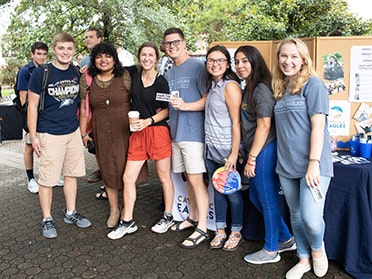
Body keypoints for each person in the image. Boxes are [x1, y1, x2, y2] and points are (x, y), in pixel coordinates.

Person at [272, 38, 333, 279]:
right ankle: (303, 259)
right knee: (295, 215)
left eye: (294, 56)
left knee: (310, 217)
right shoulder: (280, 87)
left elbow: (318, 127)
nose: (288, 61)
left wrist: (313, 164)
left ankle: (318, 251)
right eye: (284, 56)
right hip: (286, 165)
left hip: (314, 165)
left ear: (303, 59)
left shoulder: (314, 85)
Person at [233, 45, 295, 264]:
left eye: (244, 61)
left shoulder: (260, 88)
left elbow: (265, 126)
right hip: (257, 149)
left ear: (255, 61)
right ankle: (286, 238)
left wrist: (252, 158)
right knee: (255, 196)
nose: (240, 66)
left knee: (267, 200)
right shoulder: (249, 86)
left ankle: (270, 250)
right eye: (237, 62)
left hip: (265, 149)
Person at [107, 42, 174, 239]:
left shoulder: (161, 81)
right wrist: (86, 70)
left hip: (157, 132)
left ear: (156, 58)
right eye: (143, 55)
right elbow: (112, 67)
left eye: (150, 55)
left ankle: (168, 217)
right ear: (138, 57)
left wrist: (149, 121)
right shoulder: (133, 75)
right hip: (137, 134)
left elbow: (167, 110)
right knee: (128, 178)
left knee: (163, 176)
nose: (146, 58)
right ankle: (127, 221)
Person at [28, 33, 91, 239]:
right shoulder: (42, 73)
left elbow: (82, 104)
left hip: (72, 132)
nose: (65, 52)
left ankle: (70, 213)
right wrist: (34, 136)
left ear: (74, 51)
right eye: (61, 48)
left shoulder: (76, 72)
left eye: (70, 49)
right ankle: (47, 218)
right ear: (54, 49)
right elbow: (32, 106)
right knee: (47, 180)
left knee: (71, 175)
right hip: (49, 133)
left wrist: (82, 132)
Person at [79, 42, 148, 230]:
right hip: (101, 132)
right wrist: (84, 133)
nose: (103, 60)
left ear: (114, 59)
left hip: (126, 131)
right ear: (94, 60)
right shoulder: (87, 79)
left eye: (108, 56)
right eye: (99, 56)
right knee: (107, 169)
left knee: (126, 171)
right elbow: (84, 109)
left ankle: (127, 208)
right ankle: (114, 210)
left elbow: (145, 83)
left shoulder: (126, 75)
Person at [162, 27, 210, 249]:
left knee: (196, 179)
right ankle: (191, 217)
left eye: (176, 42)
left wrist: (186, 106)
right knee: (187, 179)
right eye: (168, 44)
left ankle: (202, 227)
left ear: (183, 43)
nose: (172, 46)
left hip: (193, 134)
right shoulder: (169, 72)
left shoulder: (198, 67)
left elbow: (207, 99)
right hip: (176, 134)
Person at [204, 45, 244, 251]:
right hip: (211, 150)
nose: (215, 64)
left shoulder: (230, 86)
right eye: (211, 60)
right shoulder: (213, 85)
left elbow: (237, 123)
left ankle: (235, 231)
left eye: (220, 60)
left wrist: (234, 154)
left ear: (227, 64)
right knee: (218, 191)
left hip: (227, 151)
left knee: (232, 193)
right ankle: (220, 230)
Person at [16, 41, 49, 193]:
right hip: (31, 115)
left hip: (46, 115)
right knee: (30, 146)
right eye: (39, 54)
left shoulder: (47, 70)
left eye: (44, 54)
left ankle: (47, 176)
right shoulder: (25, 71)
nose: (42, 57)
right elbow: (23, 98)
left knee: (46, 146)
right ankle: (31, 179)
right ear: (32, 54)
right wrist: (29, 119)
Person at [80, 27, 104, 186]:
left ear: (99, 39)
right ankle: (101, 169)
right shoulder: (84, 61)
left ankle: (109, 174)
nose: (88, 39)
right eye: (86, 37)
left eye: (91, 37)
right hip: (89, 111)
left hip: (105, 109)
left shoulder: (107, 58)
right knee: (95, 144)